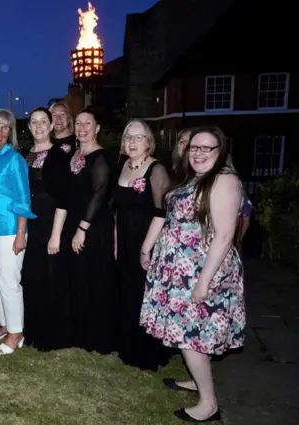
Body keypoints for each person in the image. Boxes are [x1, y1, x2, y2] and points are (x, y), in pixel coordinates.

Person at [140, 126, 245, 422]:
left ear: (220, 151)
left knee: (190, 334)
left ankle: (208, 403)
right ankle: (196, 380)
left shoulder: (224, 180)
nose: (197, 153)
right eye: (194, 148)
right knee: (193, 332)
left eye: (206, 148)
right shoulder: (195, 178)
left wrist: (203, 282)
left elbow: (224, 236)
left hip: (201, 269)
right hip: (180, 267)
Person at [112, 119, 171, 370]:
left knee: (146, 296)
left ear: (149, 142)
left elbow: (162, 212)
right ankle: (128, 345)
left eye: (138, 137)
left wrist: (146, 248)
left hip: (148, 241)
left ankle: (147, 352)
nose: (132, 142)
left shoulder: (156, 169)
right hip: (125, 239)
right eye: (128, 137)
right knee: (127, 293)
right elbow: (117, 210)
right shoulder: (122, 166)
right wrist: (116, 241)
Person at [63, 106, 115, 354]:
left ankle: (96, 335)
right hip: (76, 221)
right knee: (78, 277)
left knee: (93, 279)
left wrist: (83, 228)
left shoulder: (100, 157)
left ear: (97, 129)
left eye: (88, 124)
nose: (82, 128)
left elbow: (99, 194)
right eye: (79, 123)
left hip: (92, 225)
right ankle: (79, 331)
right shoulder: (75, 154)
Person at [0, 108, 36, 355]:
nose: (0, 132)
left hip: (9, 228)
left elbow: (24, 199)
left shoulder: (14, 159)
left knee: (10, 282)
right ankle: (5, 325)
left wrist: (21, 233)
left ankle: (17, 333)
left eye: (6, 128)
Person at [20, 107, 72, 351]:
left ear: (52, 126)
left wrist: (56, 235)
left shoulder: (59, 156)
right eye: (34, 122)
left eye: (43, 122)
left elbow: (64, 199)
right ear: (29, 127)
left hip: (50, 225)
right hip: (29, 225)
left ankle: (50, 335)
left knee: (51, 279)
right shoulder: (25, 155)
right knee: (32, 279)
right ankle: (32, 330)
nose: (39, 126)